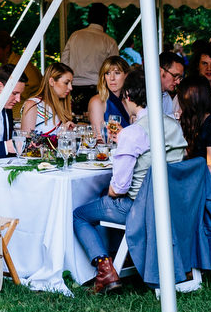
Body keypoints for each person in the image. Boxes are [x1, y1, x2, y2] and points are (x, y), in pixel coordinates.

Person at [71, 70, 188, 294]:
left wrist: (112, 189)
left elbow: (119, 189)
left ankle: (105, 269)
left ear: (127, 96)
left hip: (138, 208)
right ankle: (116, 262)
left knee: (79, 214)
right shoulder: (173, 125)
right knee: (103, 197)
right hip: (171, 203)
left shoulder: (133, 133)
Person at [62, 3, 119, 111]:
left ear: (89, 17)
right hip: (97, 89)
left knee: (75, 122)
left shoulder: (75, 36)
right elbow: (114, 70)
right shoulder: (109, 41)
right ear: (105, 19)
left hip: (74, 88)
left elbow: (64, 63)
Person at [21, 61, 76, 135]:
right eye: (66, 83)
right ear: (52, 81)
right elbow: (25, 142)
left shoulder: (62, 105)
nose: (70, 88)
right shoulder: (32, 105)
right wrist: (60, 136)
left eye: (71, 83)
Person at [86, 55, 129, 139]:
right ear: (104, 77)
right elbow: (100, 139)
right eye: (108, 73)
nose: (112, 78)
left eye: (117, 73)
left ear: (126, 75)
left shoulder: (129, 101)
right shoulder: (97, 101)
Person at [159, 51, 186, 120]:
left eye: (180, 78)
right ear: (160, 71)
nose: (178, 82)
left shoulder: (166, 97)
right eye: (175, 76)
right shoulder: (141, 94)